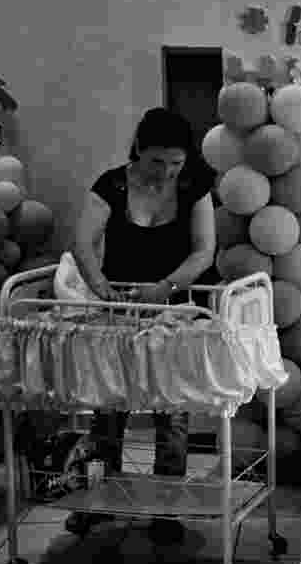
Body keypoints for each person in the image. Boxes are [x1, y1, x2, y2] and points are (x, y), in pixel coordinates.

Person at [67, 107, 218, 542]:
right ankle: (98, 500)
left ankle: (165, 510)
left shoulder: (194, 186)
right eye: (156, 162)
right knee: (109, 407)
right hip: (120, 310)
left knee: (171, 412)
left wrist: (166, 288)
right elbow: (82, 241)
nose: (167, 172)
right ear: (138, 150)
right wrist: (99, 287)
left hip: (174, 311)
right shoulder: (110, 185)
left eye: (175, 163)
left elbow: (204, 250)